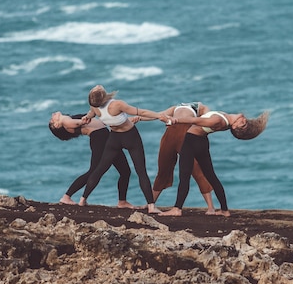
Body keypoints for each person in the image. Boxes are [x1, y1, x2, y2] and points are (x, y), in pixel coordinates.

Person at [159, 104, 269, 217]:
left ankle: (177, 209)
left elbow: (194, 120)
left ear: (235, 127)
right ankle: (225, 210)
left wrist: (173, 120)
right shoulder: (226, 120)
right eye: (245, 121)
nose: (244, 119)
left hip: (191, 142)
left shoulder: (218, 120)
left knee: (184, 175)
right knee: (211, 176)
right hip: (202, 142)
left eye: (243, 123)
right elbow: (205, 116)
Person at [79, 85, 164, 214]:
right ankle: (151, 206)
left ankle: (82, 199)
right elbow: (141, 112)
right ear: (103, 95)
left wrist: (87, 116)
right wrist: (159, 115)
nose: (97, 86)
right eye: (96, 89)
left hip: (114, 138)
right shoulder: (117, 104)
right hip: (131, 137)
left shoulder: (94, 107)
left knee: (100, 169)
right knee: (141, 171)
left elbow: (91, 113)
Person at [49, 111, 135, 208]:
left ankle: (122, 202)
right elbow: (75, 123)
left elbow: (100, 123)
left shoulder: (69, 120)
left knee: (125, 171)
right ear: (57, 125)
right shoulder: (66, 121)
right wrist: (83, 121)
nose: (53, 115)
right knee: (94, 171)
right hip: (100, 140)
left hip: (107, 138)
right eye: (52, 119)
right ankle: (67, 197)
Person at [152, 102, 215, 214]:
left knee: (197, 170)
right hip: (171, 133)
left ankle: (211, 208)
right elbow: (158, 115)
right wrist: (138, 117)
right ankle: (151, 203)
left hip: (188, 133)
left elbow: (209, 120)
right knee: (163, 169)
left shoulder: (201, 107)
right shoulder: (175, 107)